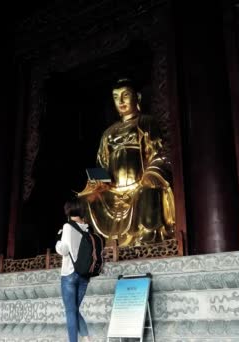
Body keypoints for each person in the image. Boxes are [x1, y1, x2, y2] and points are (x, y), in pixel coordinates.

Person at [77, 78, 176, 246]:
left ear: (137, 97)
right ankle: (95, 243)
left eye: (125, 95)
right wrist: (98, 182)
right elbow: (102, 163)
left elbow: (158, 154)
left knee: (147, 193)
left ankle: (146, 238)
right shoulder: (108, 133)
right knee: (88, 199)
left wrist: (151, 175)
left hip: (138, 185)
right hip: (113, 190)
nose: (120, 101)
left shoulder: (146, 122)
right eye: (116, 97)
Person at [55, 198, 93, 342]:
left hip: (69, 273)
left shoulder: (67, 226)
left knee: (70, 311)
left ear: (68, 210)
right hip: (84, 275)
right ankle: (86, 337)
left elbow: (64, 250)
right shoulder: (88, 228)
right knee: (74, 310)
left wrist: (58, 244)